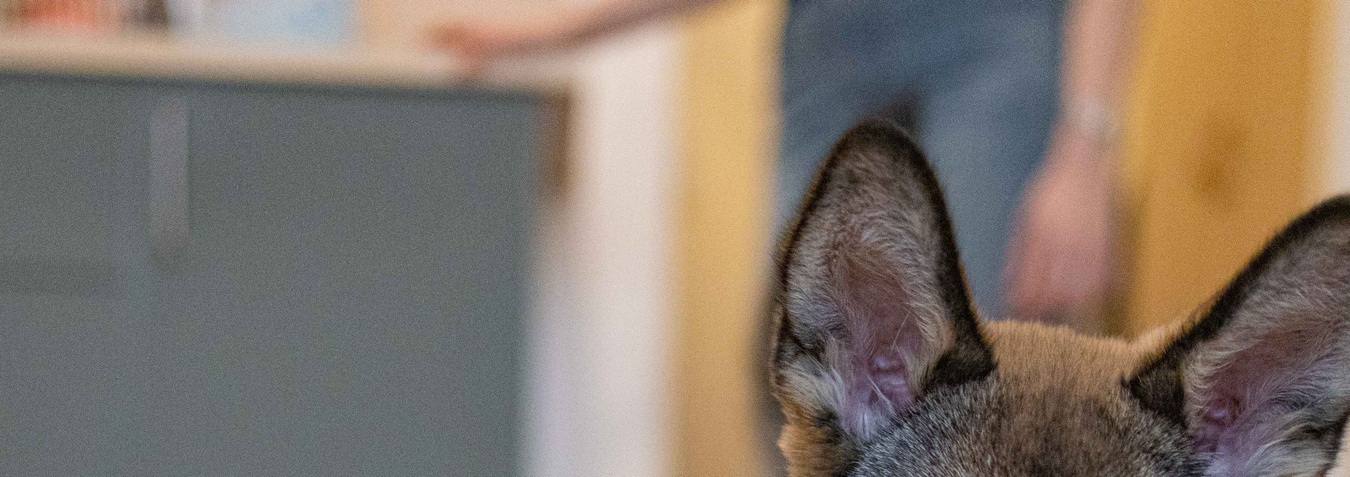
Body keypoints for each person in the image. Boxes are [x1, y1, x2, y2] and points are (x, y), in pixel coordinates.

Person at [430, 0, 1138, 328]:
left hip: (997, 61)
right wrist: (549, 29)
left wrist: (1082, 154)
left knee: (976, 372)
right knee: (809, 358)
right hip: (831, 63)